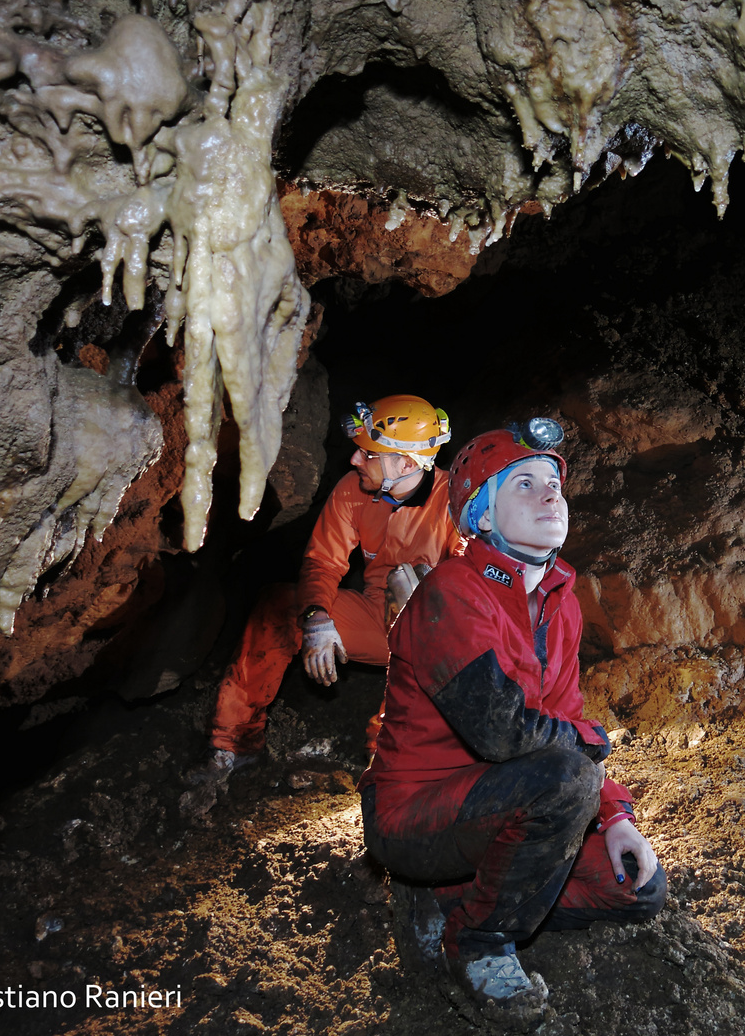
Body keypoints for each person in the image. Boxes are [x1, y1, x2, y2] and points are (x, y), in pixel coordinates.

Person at [359, 419, 666, 1024]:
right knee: (563, 781)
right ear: (482, 514)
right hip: (414, 815)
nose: (550, 494)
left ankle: (448, 900)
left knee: (634, 887)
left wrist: (617, 815)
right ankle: (477, 943)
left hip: (503, 800)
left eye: (553, 482)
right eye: (523, 484)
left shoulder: (561, 602)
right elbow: (503, 734)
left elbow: (563, 721)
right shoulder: (452, 591)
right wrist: (587, 749)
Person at [185, 394, 464, 784]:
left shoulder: (457, 504)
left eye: (368, 454)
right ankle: (233, 746)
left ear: (405, 462)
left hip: (436, 636)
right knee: (279, 606)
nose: (354, 460)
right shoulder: (354, 490)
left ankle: (388, 765)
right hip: (374, 618)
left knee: (420, 600)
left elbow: (470, 602)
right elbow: (324, 561)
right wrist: (316, 616)